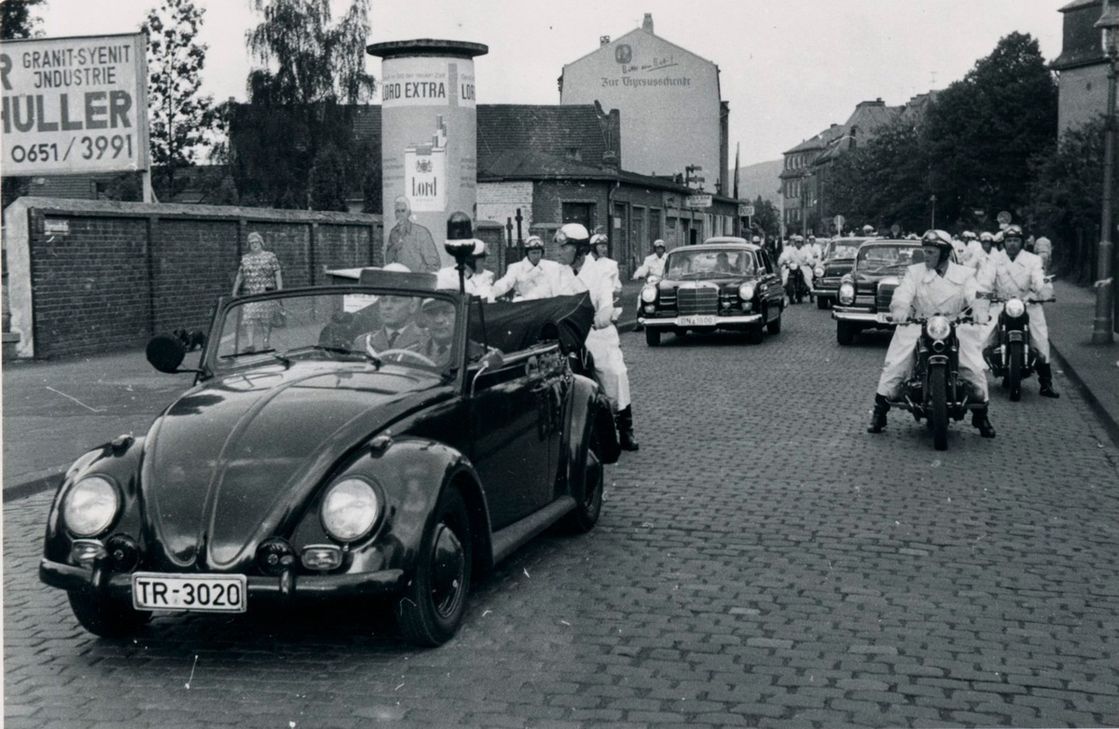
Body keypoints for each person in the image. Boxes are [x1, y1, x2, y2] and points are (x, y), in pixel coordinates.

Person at [867, 229, 995, 438]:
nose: (926, 256)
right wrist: (900, 309)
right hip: (920, 323)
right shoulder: (914, 272)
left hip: (955, 323)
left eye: (931, 252)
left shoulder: (964, 274)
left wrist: (980, 309)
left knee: (974, 366)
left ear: (944, 253)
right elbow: (903, 293)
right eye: (925, 251)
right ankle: (880, 412)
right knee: (896, 362)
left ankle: (981, 416)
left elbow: (977, 291)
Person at [553, 223, 639, 451]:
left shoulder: (600, 272)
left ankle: (625, 428)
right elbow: (543, 296)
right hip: (565, 335)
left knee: (613, 372)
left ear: (579, 249)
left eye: (564, 247)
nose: (559, 252)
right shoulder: (557, 272)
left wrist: (603, 315)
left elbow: (605, 301)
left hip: (595, 332)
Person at [981, 224, 1059, 398]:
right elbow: (985, 279)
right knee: (982, 336)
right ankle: (975, 381)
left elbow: (1039, 278)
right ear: (1004, 243)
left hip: (1027, 303)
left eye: (1016, 240)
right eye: (1009, 240)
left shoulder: (1033, 259)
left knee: (1040, 338)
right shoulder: (994, 259)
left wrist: (1043, 290)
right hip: (1001, 303)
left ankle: (1046, 383)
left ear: (1022, 242)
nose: (1012, 244)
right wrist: (982, 293)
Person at [232, 231, 283, 351]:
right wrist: (234, 291)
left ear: (261, 242)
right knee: (249, 317)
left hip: (266, 291)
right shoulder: (245, 259)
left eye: (256, 242)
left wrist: (279, 290)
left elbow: (277, 273)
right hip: (250, 292)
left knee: (266, 319)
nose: (254, 245)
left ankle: (266, 342)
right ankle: (250, 344)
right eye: (251, 243)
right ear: (249, 245)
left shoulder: (270, 256)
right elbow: (240, 276)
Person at [490, 235, 562, 300]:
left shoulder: (552, 266)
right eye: (533, 253)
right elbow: (506, 283)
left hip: (547, 304)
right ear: (527, 253)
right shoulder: (516, 268)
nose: (536, 256)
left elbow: (558, 286)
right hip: (526, 305)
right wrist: (491, 293)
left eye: (538, 252)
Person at [385, 196, 442, 274]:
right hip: (401, 281)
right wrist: (394, 247)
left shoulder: (421, 232)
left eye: (403, 211)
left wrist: (422, 279)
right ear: (395, 213)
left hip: (418, 281)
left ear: (409, 213)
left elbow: (434, 264)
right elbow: (388, 261)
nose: (400, 214)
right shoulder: (393, 233)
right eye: (397, 211)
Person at [356, 293, 429, 354]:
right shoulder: (363, 342)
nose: (387, 306)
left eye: (395, 301)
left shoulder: (428, 340)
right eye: (383, 301)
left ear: (412, 307)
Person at [590, 232, 623, 320]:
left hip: (605, 306)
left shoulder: (611, 264)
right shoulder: (584, 262)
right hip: (588, 306)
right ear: (593, 247)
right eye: (602, 246)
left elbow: (616, 287)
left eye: (605, 246)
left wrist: (615, 313)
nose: (605, 249)